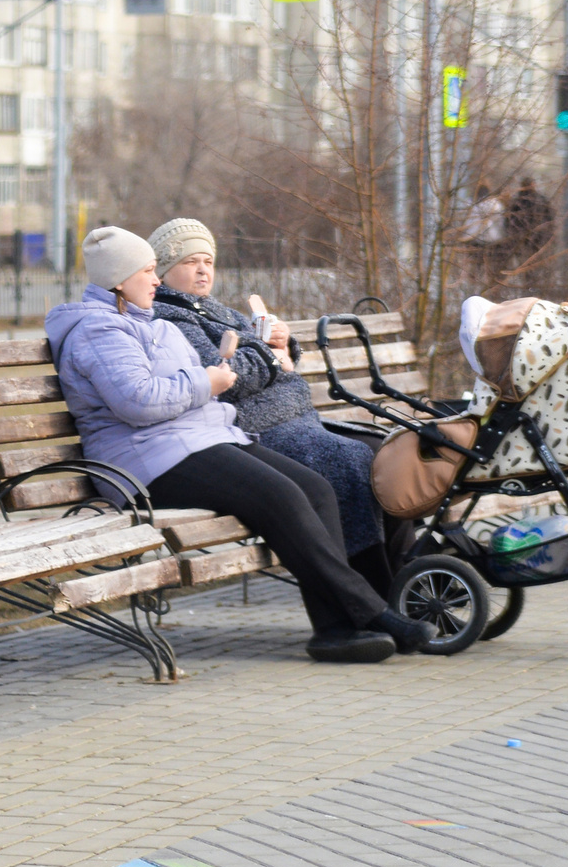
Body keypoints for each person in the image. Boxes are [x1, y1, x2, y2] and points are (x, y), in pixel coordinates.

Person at [45, 227, 433, 666]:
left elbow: (194, 384)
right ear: (119, 279)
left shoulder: (154, 325)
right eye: (148, 271)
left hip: (198, 439)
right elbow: (137, 401)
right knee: (281, 497)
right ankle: (374, 613)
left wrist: (222, 376)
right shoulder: (98, 330)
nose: (155, 279)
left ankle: (335, 630)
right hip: (143, 460)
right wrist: (207, 382)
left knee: (316, 489)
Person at [145, 219, 389, 597]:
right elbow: (226, 377)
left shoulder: (218, 310)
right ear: (162, 270)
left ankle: (406, 575)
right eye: (190, 261)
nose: (203, 270)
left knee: (385, 457)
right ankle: (376, 589)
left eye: (208, 261)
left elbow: (265, 358)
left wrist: (283, 344)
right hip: (256, 427)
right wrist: (271, 357)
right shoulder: (170, 317)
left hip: (295, 418)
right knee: (348, 459)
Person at [506, 176, 553, 274]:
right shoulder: (541, 200)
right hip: (539, 238)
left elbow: (509, 221)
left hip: (522, 239)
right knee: (537, 264)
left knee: (525, 265)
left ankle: (529, 278)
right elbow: (550, 220)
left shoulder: (517, 201)